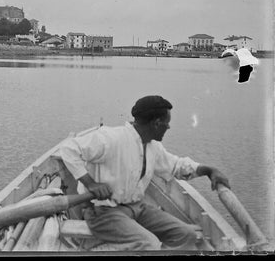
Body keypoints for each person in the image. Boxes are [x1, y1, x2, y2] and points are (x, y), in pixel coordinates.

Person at [58, 95, 230, 251]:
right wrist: (90, 183)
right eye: (166, 122)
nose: (168, 127)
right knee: (150, 244)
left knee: (187, 235)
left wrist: (208, 170)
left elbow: (176, 166)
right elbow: (68, 148)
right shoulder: (111, 138)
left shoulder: (153, 146)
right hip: (103, 212)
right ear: (156, 123)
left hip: (137, 208)